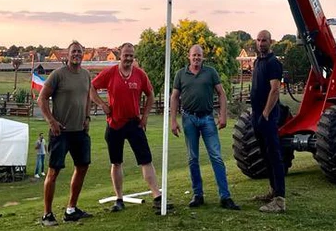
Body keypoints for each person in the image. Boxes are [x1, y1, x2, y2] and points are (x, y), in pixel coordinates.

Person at [91, 42, 171, 214]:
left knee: (146, 159)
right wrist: (102, 104)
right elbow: (91, 87)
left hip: (134, 123)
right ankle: (119, 199)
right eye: (125, 55)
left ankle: (157, 196)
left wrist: (145, 116)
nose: (128, 58)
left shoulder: (140, 75)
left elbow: (150, 94)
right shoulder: (110, 72)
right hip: (114, 123)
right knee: (116, 162)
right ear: (120, 55)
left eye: (131, 55)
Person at [170, 44, 240, 210]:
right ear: (189, 56)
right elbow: (174, 97)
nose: (196, 58)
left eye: (199, 56)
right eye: (194, 55)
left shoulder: (211, 72)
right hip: (189, 119)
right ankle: (198, 195)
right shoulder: (180, 74)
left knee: (216, 156)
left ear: (203, 57)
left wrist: (223, 115)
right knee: (192, 158)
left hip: (207, 118)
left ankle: (225, 196)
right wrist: (173, 120)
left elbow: (221, 94)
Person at [37, 41, 94, 226]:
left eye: (79, 52)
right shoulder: (58, 75)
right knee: (53, 172)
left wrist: (87, 117)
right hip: (60, 132)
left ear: (83, 54)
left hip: (80, 132)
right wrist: (51, 121)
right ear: (67, 55)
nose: (77, 54)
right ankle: (47, 214)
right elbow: (41, 99)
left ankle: (71, 209)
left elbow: (87, 97)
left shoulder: (86, 75)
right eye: (73, 52)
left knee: (83, 167)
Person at [250, 30, 286, 213]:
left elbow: (275, 90)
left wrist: (265, 113)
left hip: (268, 116)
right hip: (256, 115)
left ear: (270, 42)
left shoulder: (273, 63)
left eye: (264, 40)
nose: (261, 43)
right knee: (265, 154)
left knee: (274, 155)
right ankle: (273, 191)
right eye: (258, 40)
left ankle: (280, 200)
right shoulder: (258, 62)